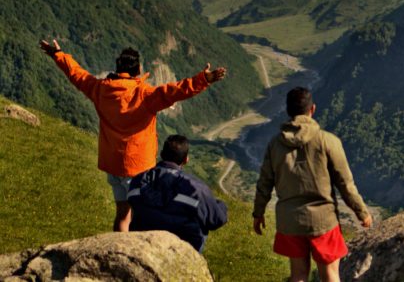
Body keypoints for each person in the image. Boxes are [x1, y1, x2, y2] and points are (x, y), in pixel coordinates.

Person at [39, 38, 227, 232]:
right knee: (140, 216)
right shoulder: (144, 95)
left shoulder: (99, 89)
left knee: (122, 214)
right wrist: (204, 79)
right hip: (138, 167)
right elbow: (175, 91)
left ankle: (118, 252)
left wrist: (58, 55)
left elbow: (77, 74)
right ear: (138, 70)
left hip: (112, 163)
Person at [253, 87, 372, 282]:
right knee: (330, 275)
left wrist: (258, 213)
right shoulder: (328, 141)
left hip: (290, 220)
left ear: (288, 111)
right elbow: (345, 183)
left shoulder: (275, 144)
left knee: (298, 275)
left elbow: (264, 182)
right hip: (323, 221)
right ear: (313, 109)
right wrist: (361, 211)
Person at [128, 135, 228, 252]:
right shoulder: (195, 189)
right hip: (183, 251)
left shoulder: (137, 182)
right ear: (186, 159)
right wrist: (220, 205)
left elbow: (134, 204)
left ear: (161, 154)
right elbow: (217, 220)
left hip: (143, 247)